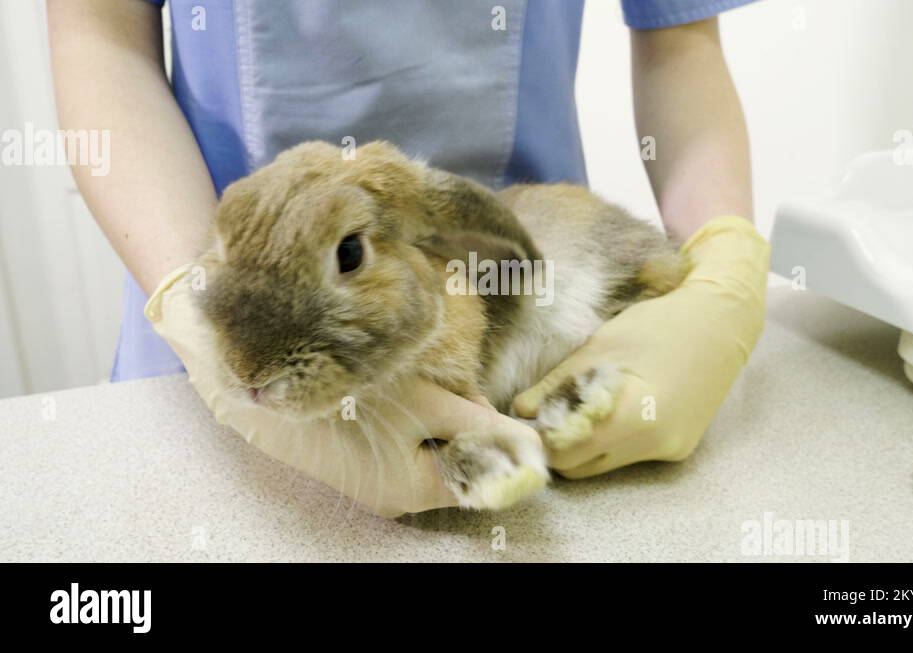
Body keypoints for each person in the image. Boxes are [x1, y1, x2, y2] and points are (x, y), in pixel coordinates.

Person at [47, 0, 769, 516]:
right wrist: (184, 292)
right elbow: (98, 37)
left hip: (526, 298)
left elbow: (681, 42)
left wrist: (724, 275)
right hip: (200, 346)